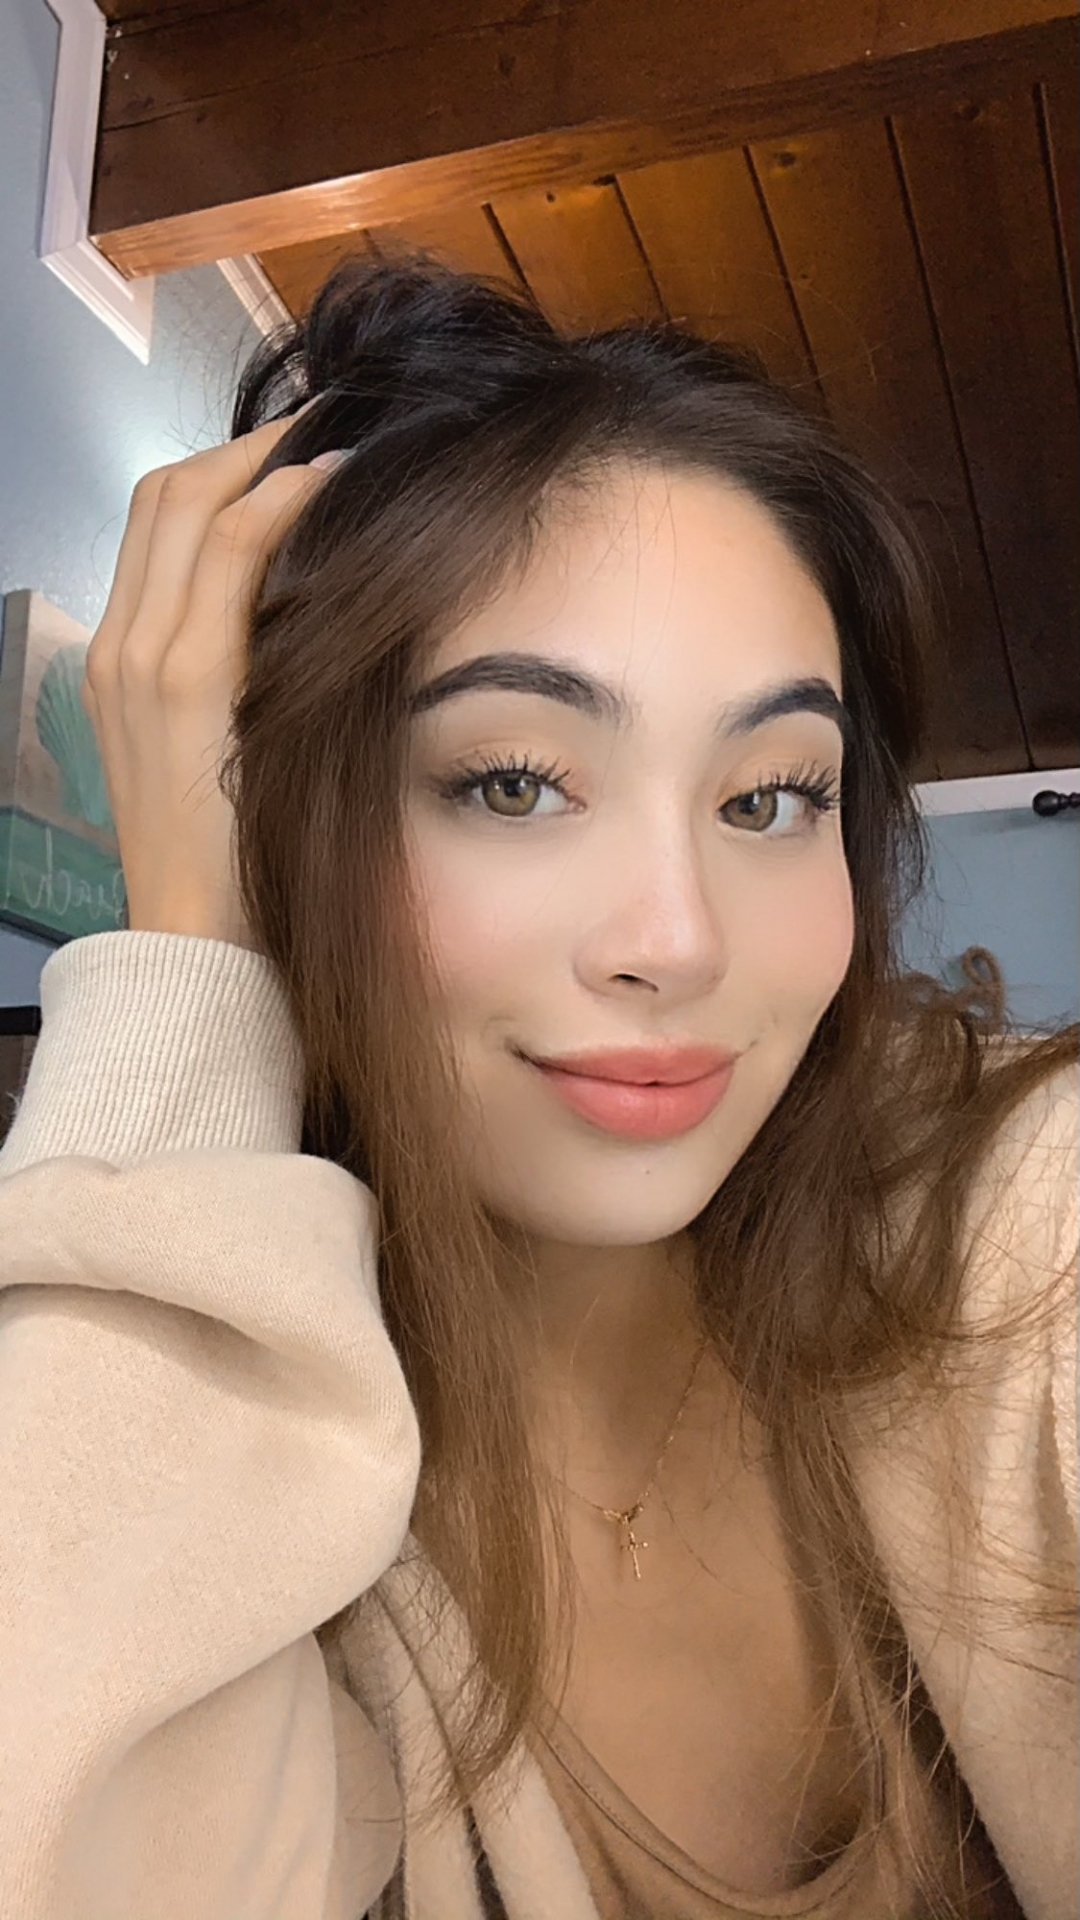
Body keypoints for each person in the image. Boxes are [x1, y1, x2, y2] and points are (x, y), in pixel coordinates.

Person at [0, 254, 1075, 1920]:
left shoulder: (1016, 1246)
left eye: (771, 798)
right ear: (282, 824)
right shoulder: (223, 1474)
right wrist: (188, 944)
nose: (678, 941)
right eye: (513, 782)